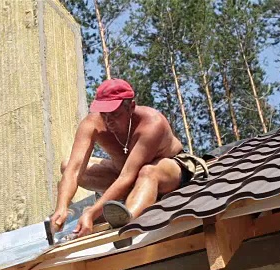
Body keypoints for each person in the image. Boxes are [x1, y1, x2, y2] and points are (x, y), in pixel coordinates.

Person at [50, 79, 207, 245]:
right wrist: (62, 206)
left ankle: (126, 222)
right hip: (124, 176)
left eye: (115, 114)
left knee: (147, 171)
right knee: (66, 165)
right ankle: (119, 203)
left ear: (130, 107)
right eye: (104, 114)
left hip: (167, 172)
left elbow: (127, 176)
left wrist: (92, 213)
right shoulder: (92, 124)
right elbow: (74, 170)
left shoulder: (152, 124)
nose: (108, 121)